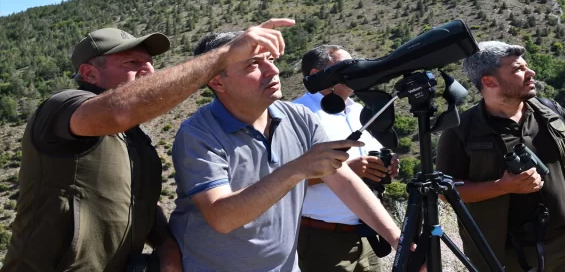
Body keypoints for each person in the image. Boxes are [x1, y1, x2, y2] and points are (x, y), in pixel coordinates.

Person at [2, 19, 291, 272]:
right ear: (89, 74)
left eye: (149, 61)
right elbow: (118, 111)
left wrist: (165, 244)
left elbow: (140, 199)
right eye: (132, 63)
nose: (148, 70)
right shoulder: (62, 107)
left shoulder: (133, 135)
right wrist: (224, 57)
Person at [169, 31, 402, 271]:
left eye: (270, 59)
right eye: (253, 64)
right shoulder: (198, 134)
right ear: (217, 82)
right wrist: (297, 169)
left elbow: (344, 182)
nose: (273, 70)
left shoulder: (299, 118)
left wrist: (399, 240)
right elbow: (222, 218)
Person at [435, 41, 565, 272]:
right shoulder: (461, 130)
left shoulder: (550, 111)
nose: (530, 73)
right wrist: (503, 186)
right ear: (489, 81)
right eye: (517, 69)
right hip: (506, 256)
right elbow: (447, 191)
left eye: (526, 66)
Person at [292, 45, 399, 272]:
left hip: (366, 235)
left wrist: (387, 167)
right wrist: (349, 169)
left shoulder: (358, 110)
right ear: (316, 75)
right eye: (344, 67)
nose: (355, 72)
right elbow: (284, 178)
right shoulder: (297, 114)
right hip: (323, 239)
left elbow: (370, 157)